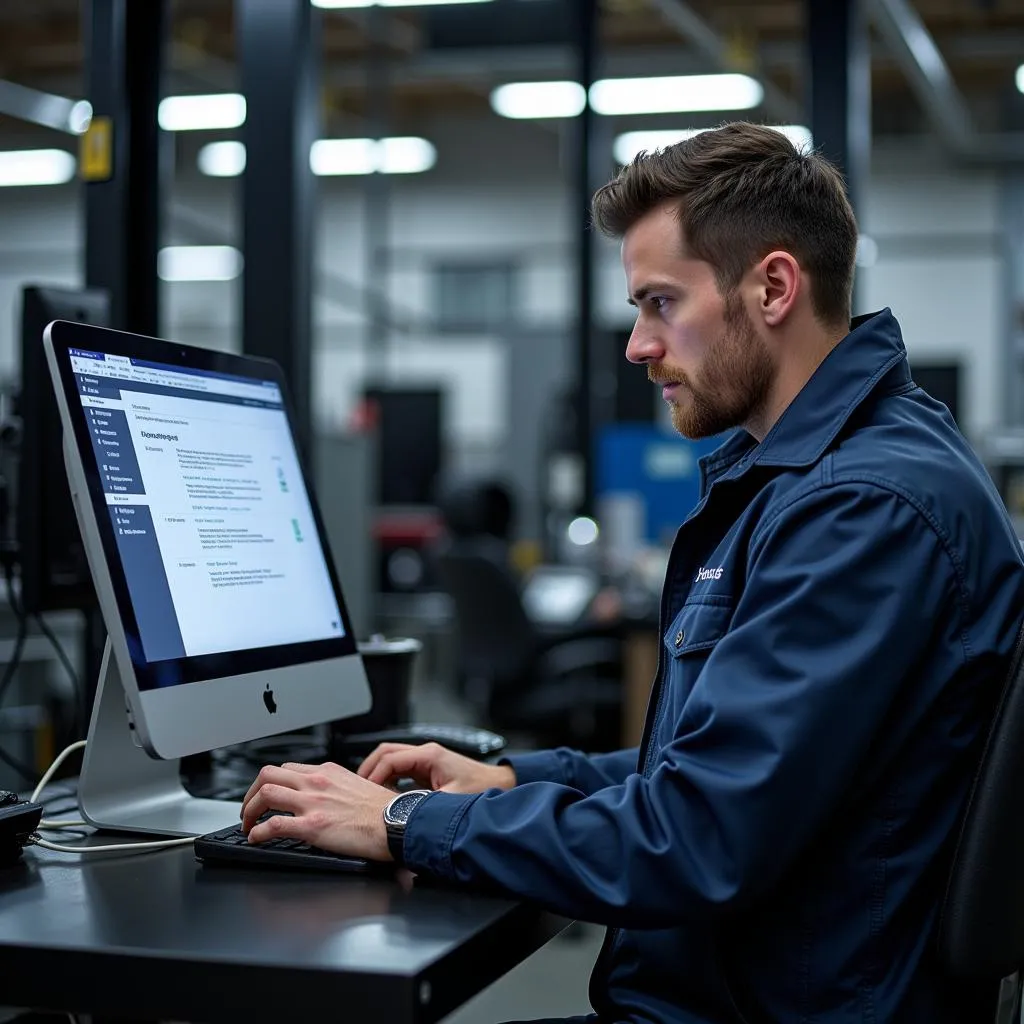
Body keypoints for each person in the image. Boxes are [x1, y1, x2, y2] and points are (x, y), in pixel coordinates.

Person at [240, 122, 1024, 1023]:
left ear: (772, 286)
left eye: (660, 303)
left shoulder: (862, 507)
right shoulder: (832, 477)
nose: (638, 346)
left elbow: (698, 838)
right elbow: (723, 770)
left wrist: (403, 823)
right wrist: (520, 782)